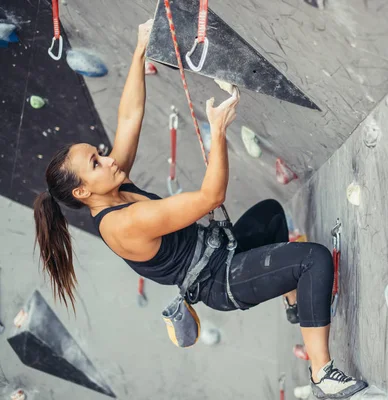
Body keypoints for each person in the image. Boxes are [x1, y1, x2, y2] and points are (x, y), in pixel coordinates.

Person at [32, 19, 368, 399]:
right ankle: (322, 373)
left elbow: (129, 118)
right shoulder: (122, 224)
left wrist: (140, 48)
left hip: (220, 250)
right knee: (315, 260)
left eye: (99, 154)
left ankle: (297, 301)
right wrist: (219, 131)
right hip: (219, 280)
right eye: (96, 163)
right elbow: (211, 197)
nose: (108, 160)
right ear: (82, 192)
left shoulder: (113, 183)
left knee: (271, 213)